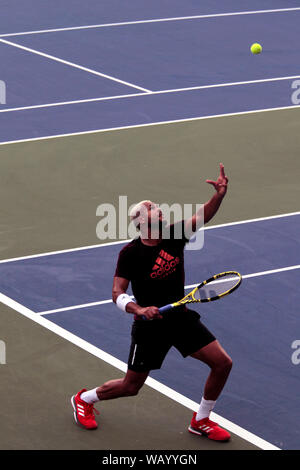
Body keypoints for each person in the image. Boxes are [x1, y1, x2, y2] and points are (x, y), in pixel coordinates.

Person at [71, 163, 232, 441]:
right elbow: (117, 293)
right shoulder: (130, 254)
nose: (159, 208)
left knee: (222, 363)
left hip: (179, 317)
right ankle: (84, 398)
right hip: (149, 327)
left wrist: (218, 196)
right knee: (131, 386)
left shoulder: (174, 234)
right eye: (152, 207)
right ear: (143, 220)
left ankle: (201, 420)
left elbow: (201, 216)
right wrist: (139, 309)